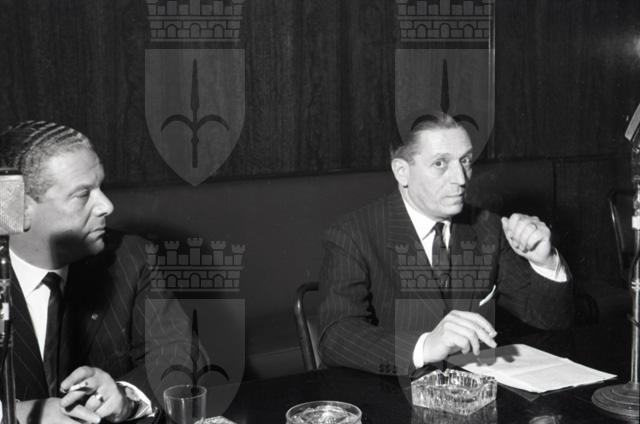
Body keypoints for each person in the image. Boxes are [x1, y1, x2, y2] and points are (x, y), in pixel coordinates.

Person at [318, 113, 574, 375]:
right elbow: (335, 336)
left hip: (468, 389)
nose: (461, 179)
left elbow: (551, 321)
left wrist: (545, 261)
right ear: (402, 172)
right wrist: (425, 346)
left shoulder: (488, 227)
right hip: (390, 387)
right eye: (440, 163)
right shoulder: (353, 234)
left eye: (465, 160)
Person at [0, 121, 191, 423]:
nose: (107, 206)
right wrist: (13, 414)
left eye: (101, 187)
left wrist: (126, 396)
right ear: (18, 209)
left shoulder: (131, 257)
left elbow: (180, 357)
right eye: (82, 194)